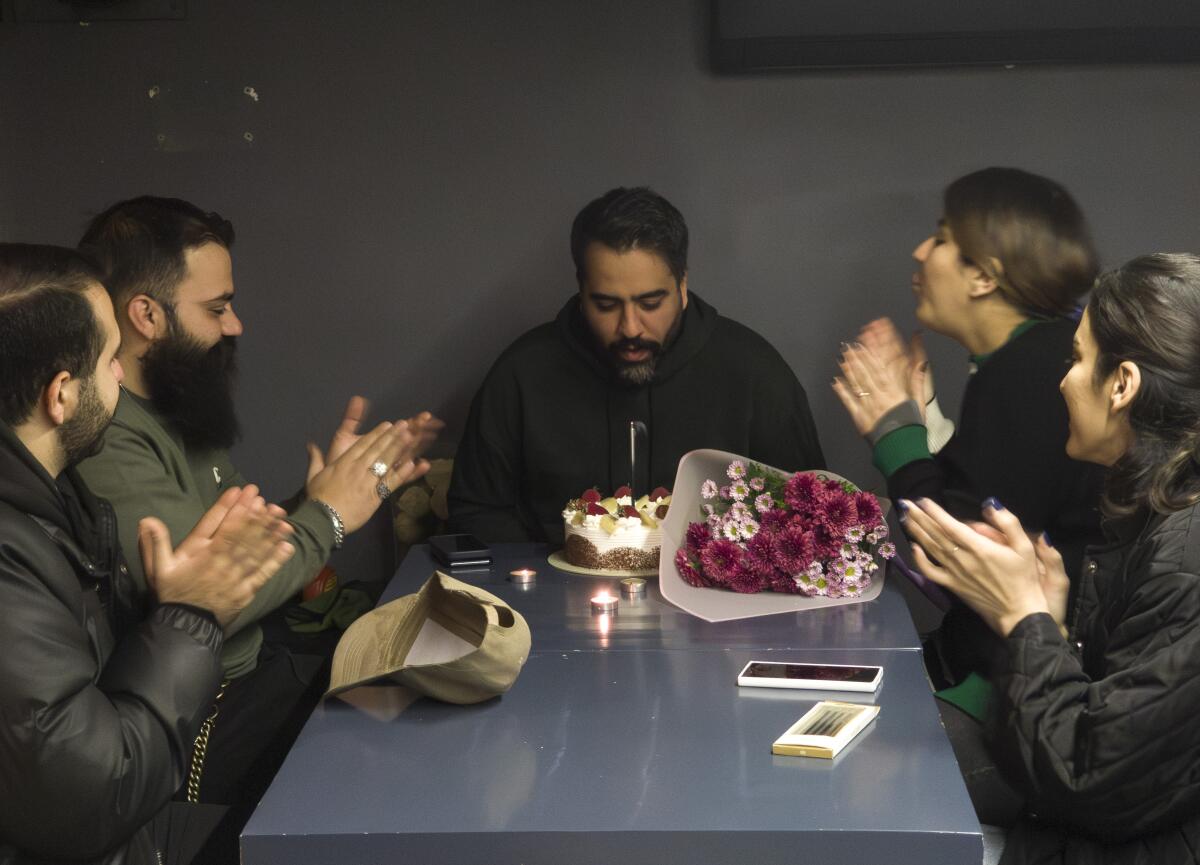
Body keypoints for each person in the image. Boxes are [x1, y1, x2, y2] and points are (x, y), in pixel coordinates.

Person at [74, 197, 436, 816]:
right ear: (146, 315)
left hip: (259, 668)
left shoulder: (177, 399)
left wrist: (318, 496)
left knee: (425, 697)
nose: (235, 325)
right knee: (404, 764)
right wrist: (328, 514)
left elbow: (252, 544)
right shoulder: (104, 440)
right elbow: (217, 594)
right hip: (202, 716)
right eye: (217, 308)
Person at [900, 253, 1200, 864]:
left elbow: (1084, 777)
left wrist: (1025, 620)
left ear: (1122, 385)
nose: (1064, 379)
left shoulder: (1183, 554)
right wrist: (1054, 627)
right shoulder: (1156, 515)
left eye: (1078, 357)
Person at [0, 243, 295, 864]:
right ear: (60, 394)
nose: (120, 376)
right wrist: (189, 616)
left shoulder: (57, 505)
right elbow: (91, 801)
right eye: (110, 359)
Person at [833, 167, 1105, 688]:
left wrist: (895, 433)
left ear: (983, 275)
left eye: (940, 239)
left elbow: (960, 557)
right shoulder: (1032, 355)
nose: (919, 252)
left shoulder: (1028, 370)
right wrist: (924, 417)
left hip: (1020, 690)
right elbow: (992, 492)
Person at [450, 185, 826, 542]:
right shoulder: (521, 374)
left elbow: (812, 517)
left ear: (682, 286)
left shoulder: (754, 372)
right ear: (581, 292)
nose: (630, 327)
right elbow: (477, 514)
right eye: (606, 305)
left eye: (650, 304)